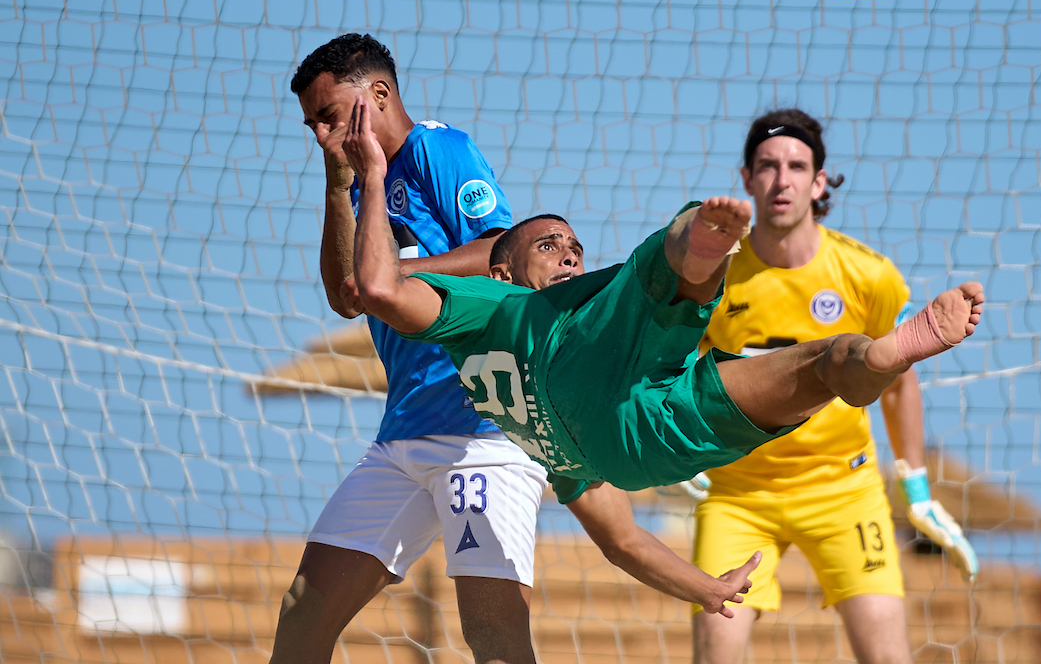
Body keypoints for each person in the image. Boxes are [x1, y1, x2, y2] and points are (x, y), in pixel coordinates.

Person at [339, 91, 985, 616]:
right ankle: (699, 240)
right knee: (647, 269)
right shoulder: (493, 303)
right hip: (583, 367)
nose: (567, 252)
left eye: (573, 245)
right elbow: (377, 287)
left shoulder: (544, 434)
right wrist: (368, 175)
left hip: (643, 430)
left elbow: (622, 540)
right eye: (547, 245)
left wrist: (706, 588)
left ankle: (876, 358)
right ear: (502, 273)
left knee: (825, 363)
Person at [270, 34, 549, 664]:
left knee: (494, 636)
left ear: (379, 94)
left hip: (482, 429)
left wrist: (397, 280)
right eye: (312, 125)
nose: (321, 135)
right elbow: (347, 298)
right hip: (403, 434)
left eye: (328, 116)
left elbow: (501, 251)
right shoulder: (359, 181)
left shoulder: (436, 149)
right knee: (304, 608)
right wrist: (337, 186)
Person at [689, 109, 978, 664]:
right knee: (714, 655)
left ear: (819, 182)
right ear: (747, 179)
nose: (782, 179)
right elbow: (674, 369)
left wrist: (917, 491)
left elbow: (899, 384)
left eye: (797, 166)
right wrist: (679, 458)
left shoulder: (869, 275)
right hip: (739, 494)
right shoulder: (714, 273)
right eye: (767, 166)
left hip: (844, 489)